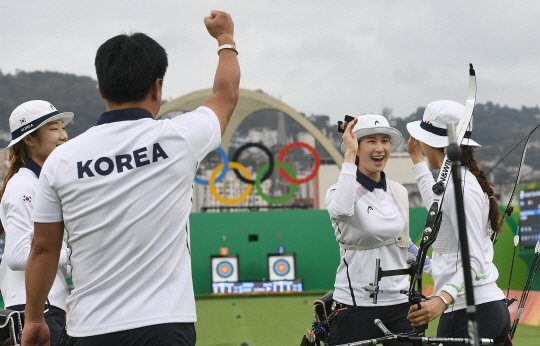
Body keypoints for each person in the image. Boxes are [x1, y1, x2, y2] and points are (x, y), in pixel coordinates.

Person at [21, 10, 240, 346]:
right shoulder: (180, 138)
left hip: (90, 329)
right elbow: (226, 95)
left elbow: (42, 249)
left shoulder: (62, 160)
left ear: (100, 89)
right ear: (157, 88)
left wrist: (35, 318)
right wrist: (225, 39)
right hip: (166, 326)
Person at [406, 100, 510, 345]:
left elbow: (472, 259)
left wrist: (440, 299)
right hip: (481, 309)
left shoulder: (459, 186)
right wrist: (415, 157)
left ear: (433, 142)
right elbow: (436, 201)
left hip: (470, 311)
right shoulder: (456, 181)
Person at [326, 114, 432, 345]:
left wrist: (439, 271)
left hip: (400, 304)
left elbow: (403, 243)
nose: (380, 148)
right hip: (355, 304)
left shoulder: (398, 191)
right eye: (371, 141)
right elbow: (342, 210)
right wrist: (349, 155)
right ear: (356, 144)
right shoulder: (338, 191)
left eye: (385, 140)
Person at [0, 100, 73, 346]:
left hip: (46, 307)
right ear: (29, 139)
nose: (63, 136)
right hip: (35, 309)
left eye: (63, 128)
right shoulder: (24, 185)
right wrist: (75, 254)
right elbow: (18, 256)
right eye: (54, 129)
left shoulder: (40, 182)